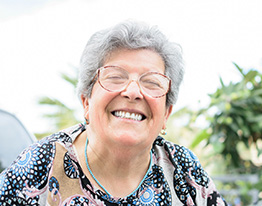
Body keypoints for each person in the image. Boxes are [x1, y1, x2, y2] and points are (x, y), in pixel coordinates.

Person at [0, 21, 227, 205]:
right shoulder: (40, 165)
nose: (133, 92)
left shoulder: (183, 170)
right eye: (116, 77)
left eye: (151, 82)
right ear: (86, 101)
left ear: (166, 113)